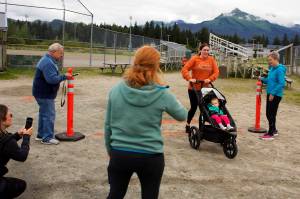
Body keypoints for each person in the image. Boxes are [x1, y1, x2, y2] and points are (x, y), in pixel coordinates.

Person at [104, 46, 187, 199]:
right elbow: (182, 115)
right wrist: (168, 94)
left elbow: (108, 126)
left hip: (120, 153)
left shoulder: (116, 90)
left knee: (115, 194)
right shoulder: (162, 93)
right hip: (151, 156)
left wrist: (111, 151)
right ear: (156, 67)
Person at [32, 43, 71, 145]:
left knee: (44, 114)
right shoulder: (48, 62)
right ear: (53, 52)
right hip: (44, 94)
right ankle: (47, 137)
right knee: (49, 115)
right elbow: (52, 79)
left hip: (42, 93)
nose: (62, 55)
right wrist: (64, 76)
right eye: (60, 53)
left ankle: (41, 135)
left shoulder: (48, 60)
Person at [181, 43, 219, 133]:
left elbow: (216, 72)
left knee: (204, 109)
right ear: (200, 50)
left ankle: (201, 128)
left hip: (205, 89)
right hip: (193, 88)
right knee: (194, 107)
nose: (206, 52)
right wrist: (190, 78)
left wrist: (209, 79)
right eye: (204, 50)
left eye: (207, 50)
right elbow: (185, 69)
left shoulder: (211, 60)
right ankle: (187, 124)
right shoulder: (194, 59)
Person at [0, 104, 33, 198]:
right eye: (10, 115)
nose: (12, 116)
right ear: (2, 120)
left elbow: (4, 143)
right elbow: (22, 156)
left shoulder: (4, 137)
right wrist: (26, 137)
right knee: (20, 185)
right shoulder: (6, 140)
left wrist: (18, 135)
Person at [259, 51, 286, 140]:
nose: (269, 62)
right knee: (270, 114)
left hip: (275, 95)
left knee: (270, 114)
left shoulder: (280, 69)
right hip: (270, 93)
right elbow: (269, 80)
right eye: (268, 60)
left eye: (270, 60)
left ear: (275, 59)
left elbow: (281, 83)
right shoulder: (272, 69)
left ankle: (270, 134)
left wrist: (273, 93)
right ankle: (273, 130)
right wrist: (262, 79)